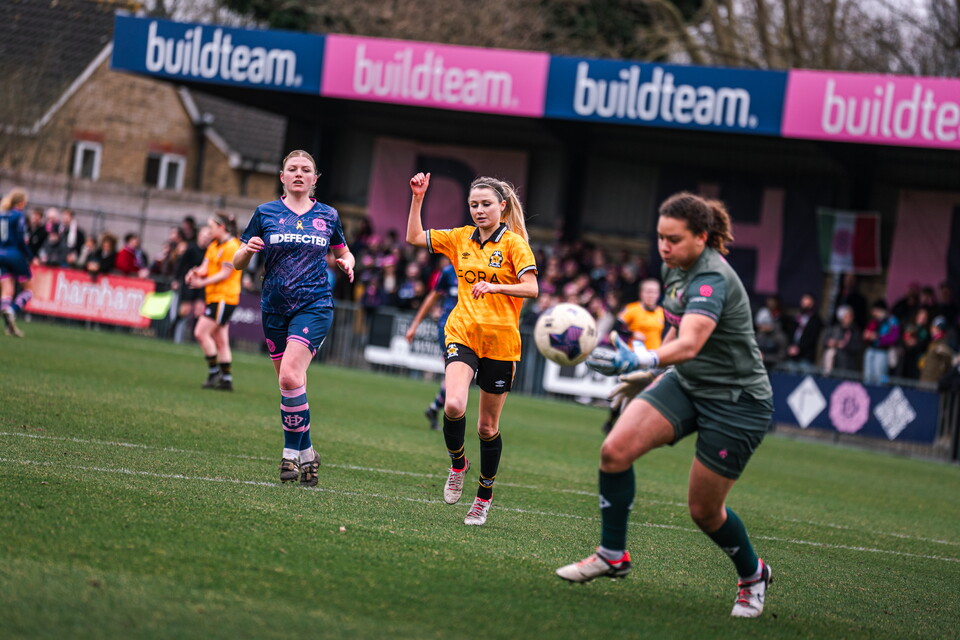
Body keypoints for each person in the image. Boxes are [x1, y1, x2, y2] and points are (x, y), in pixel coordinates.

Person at [557, 191, 774, 619]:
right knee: (613, 452)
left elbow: (692, 341)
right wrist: (649, 375)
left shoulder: (713, 278)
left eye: (673, 239)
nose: (663, 247)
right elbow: (676, 333)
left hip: (737, 402)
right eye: (659, 237)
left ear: (702, 237)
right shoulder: (673, 267)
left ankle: (753, 574)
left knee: (704, 511)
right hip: (688, 383)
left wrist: (642, 358)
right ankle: (612, 554)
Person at [406, 172, 538, 526]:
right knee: (452, 403)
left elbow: (532, 289)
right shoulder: (459, 237)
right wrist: (418, 197)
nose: (479, 211)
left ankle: (483, 496)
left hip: (501, 343)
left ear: (502, 207)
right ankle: (458, 465)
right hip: (462, 333)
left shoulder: (514, 244)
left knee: (486, 428)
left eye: (486, 205)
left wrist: (496, 289)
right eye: (474, 205)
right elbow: (414, 236)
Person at [232, 150, 355, 488]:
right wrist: (246, 250)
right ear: (282, 177)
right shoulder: (265, 213)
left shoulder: (328, 215)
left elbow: (343, 250)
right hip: (274, 307)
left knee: (289, 376)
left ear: (315, 179)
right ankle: (309, 453)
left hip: (314, 305)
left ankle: (289, 453)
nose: (299, 174)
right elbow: (237, 261)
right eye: (292, 169)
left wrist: (349, 263)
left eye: (306, 170)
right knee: (291, 384)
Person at [185, 212, 243, 391]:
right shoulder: (214, 245)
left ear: (221, 227)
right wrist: (194, 273)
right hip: (216, 297)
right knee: (221, 340)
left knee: (200, 333)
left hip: (224, 298)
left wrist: (202, 282)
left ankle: (214, 371)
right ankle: (226, 379)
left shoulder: (232, 246)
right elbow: (205, 267)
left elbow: (225, 273)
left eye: (211, 227)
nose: (208, 231)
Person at [600, 278, 664, 433]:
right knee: (624, 393)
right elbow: (615, 327)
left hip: (654, 361)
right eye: (648, 291)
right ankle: (611, 421)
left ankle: (634, 427)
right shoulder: (632, 309)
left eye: (654, 292)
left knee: (647, 396)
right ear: (641, 293)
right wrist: (631, 333)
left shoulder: (662, 313)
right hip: (633, 359)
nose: (651, 295)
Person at [404, 256, 458, 430]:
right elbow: (432, 297)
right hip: (448, 328)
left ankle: (435, 408)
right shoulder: (449, 272)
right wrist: (414, 325)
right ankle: (443, 414)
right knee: (456, 372)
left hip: (470, 330)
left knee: (457, 375)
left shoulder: (481, 270)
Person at [0, 188, 35, 337]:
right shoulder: (18, 215)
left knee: (7, 290)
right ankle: (12, 310)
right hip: (14, 255)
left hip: (0, 254)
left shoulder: (2, 215)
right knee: (28, 290)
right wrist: (30, 256)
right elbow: (20, 238)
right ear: (21, 203)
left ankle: (9, 324)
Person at [862, 300, 900, 385]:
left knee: (882, 376)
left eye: (875, 311)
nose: (874, 313)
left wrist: (878, 337)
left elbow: (894, 337)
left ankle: (883, 392)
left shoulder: (892, 320)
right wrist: (867, 336)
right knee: (868, 376)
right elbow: (866, 335)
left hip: (883, 352)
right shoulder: (874, 321)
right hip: (871, 350)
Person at [821, 304, 862, 376]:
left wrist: (844, 345)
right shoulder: (834, 329)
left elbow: (857, 347)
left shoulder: (855, 331)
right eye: (846, 316)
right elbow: (824, 341)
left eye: (850, 316)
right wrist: (831, 342)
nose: (849, 318)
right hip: (832, 366)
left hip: (846, 365)